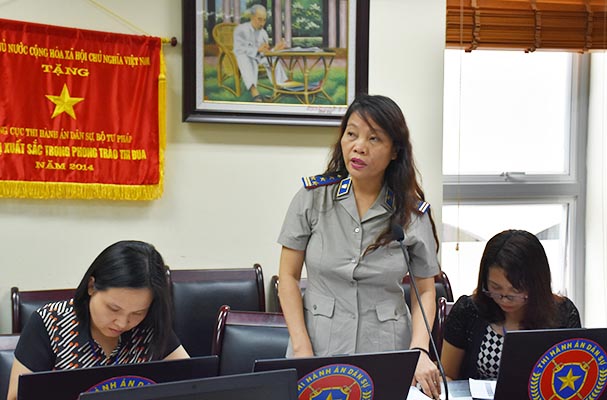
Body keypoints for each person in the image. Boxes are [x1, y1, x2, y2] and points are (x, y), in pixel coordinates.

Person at [277, 94, 443, 399]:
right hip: (318, 344)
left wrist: (419, 349)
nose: (359, 146)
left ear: (395, 151)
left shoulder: (412, 213)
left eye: (374, 138)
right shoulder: (312, 198)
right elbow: (287, 277)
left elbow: (425, 290)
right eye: (351, 134)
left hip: (386, 347)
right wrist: (301, 348)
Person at [7, 240, 189, 400]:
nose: (122, 323)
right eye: (113, 309)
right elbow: (17, 396)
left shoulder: (150, 324)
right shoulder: (51, 322)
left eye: (137, 313)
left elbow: (191, 382)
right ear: (91, 286)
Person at [441, 229, 581, 381]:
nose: (505, 300)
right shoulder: (468, 311)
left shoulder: (563, 314)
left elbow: (575, 376)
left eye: (516, 290)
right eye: (495, 288)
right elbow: (448, 376)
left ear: (537, 284)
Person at [233, 4, 287, 102]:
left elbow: (265, 53)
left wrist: (275, 49)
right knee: (245, 58)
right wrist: (257, 50)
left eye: (264, 20)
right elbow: (239, 49)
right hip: (243, 57)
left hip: (258, 58)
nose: (262, 23)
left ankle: (281, 86)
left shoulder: (263, 33)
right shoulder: (241, 30)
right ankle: (254, 92)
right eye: (259, 19)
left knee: (273, 59)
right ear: (252, 17)